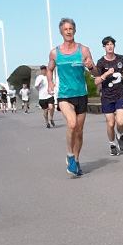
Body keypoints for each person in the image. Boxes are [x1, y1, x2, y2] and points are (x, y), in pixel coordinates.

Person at [47, 18, 96, 177]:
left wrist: (91, 67)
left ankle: (76, 159)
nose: (68, 31)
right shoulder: (55, 52)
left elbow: (95, 73)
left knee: (79, 132)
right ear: (61, 32)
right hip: (64, 95)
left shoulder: (84, 50)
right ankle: (69, 154)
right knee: (72, 123)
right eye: (65, 29)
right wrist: (50, 82)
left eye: (71, 28)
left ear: (75, 30)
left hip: (81, 94)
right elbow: (49, 69)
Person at [93, 36, 123, 155]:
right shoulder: (101, 62)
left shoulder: (122, 59)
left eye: (111, 44)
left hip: (120, 94)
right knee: (111, 123)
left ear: (114, 45)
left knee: (120, 121)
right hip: (107, 97)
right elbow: (96, 81)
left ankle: (119, 136)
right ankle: (112, 144)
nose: (109, 46)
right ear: (104, 47)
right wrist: (107, 74)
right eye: (107, 44)